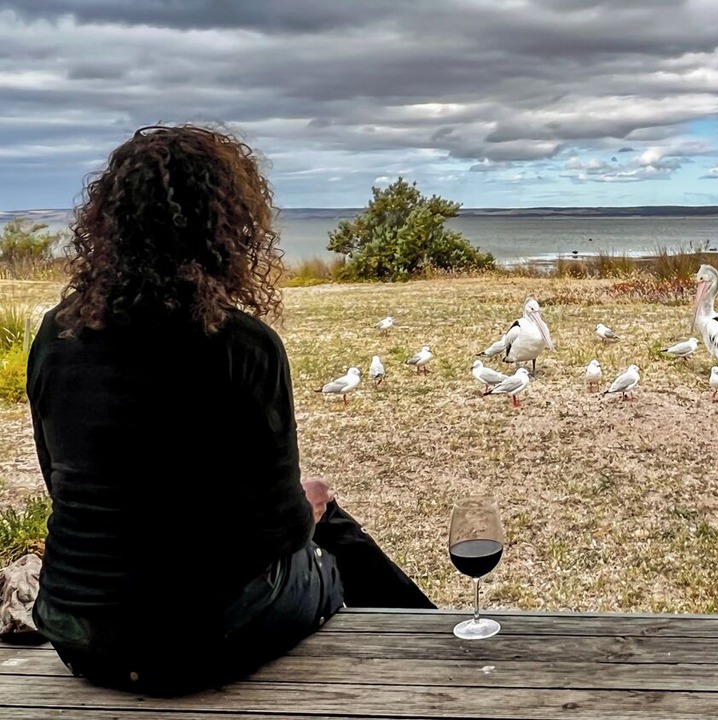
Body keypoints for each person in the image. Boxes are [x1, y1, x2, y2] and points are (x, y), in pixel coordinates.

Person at [26, 124, 435, 696]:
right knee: (332, 533)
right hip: (198, 643)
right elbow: (278, 529)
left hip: (78, 636)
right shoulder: (243, 345)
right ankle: (446, 648)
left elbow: (63, 484)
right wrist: (311, 505)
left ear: (106, 223)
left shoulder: (55, 335)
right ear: (227, 225)